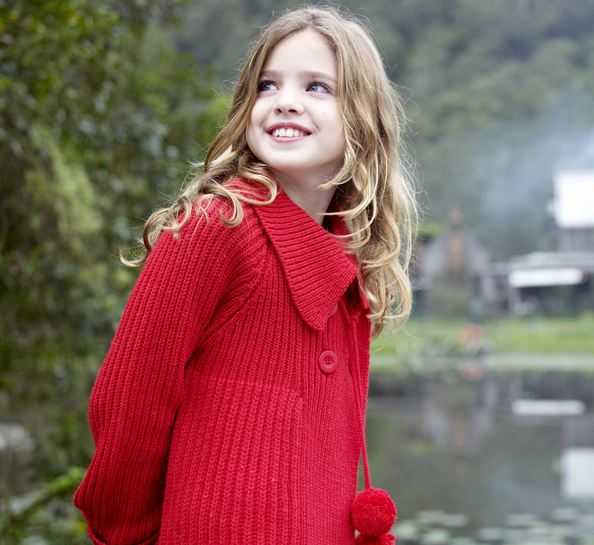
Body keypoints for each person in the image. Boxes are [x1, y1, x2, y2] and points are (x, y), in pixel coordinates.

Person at [73, 6, 416, 544]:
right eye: (268, 84)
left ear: (363, 118)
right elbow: (130, 401)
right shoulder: (218, 226)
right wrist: (129, 533)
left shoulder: (350, 276)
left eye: (318, 87)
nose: (285, 100)